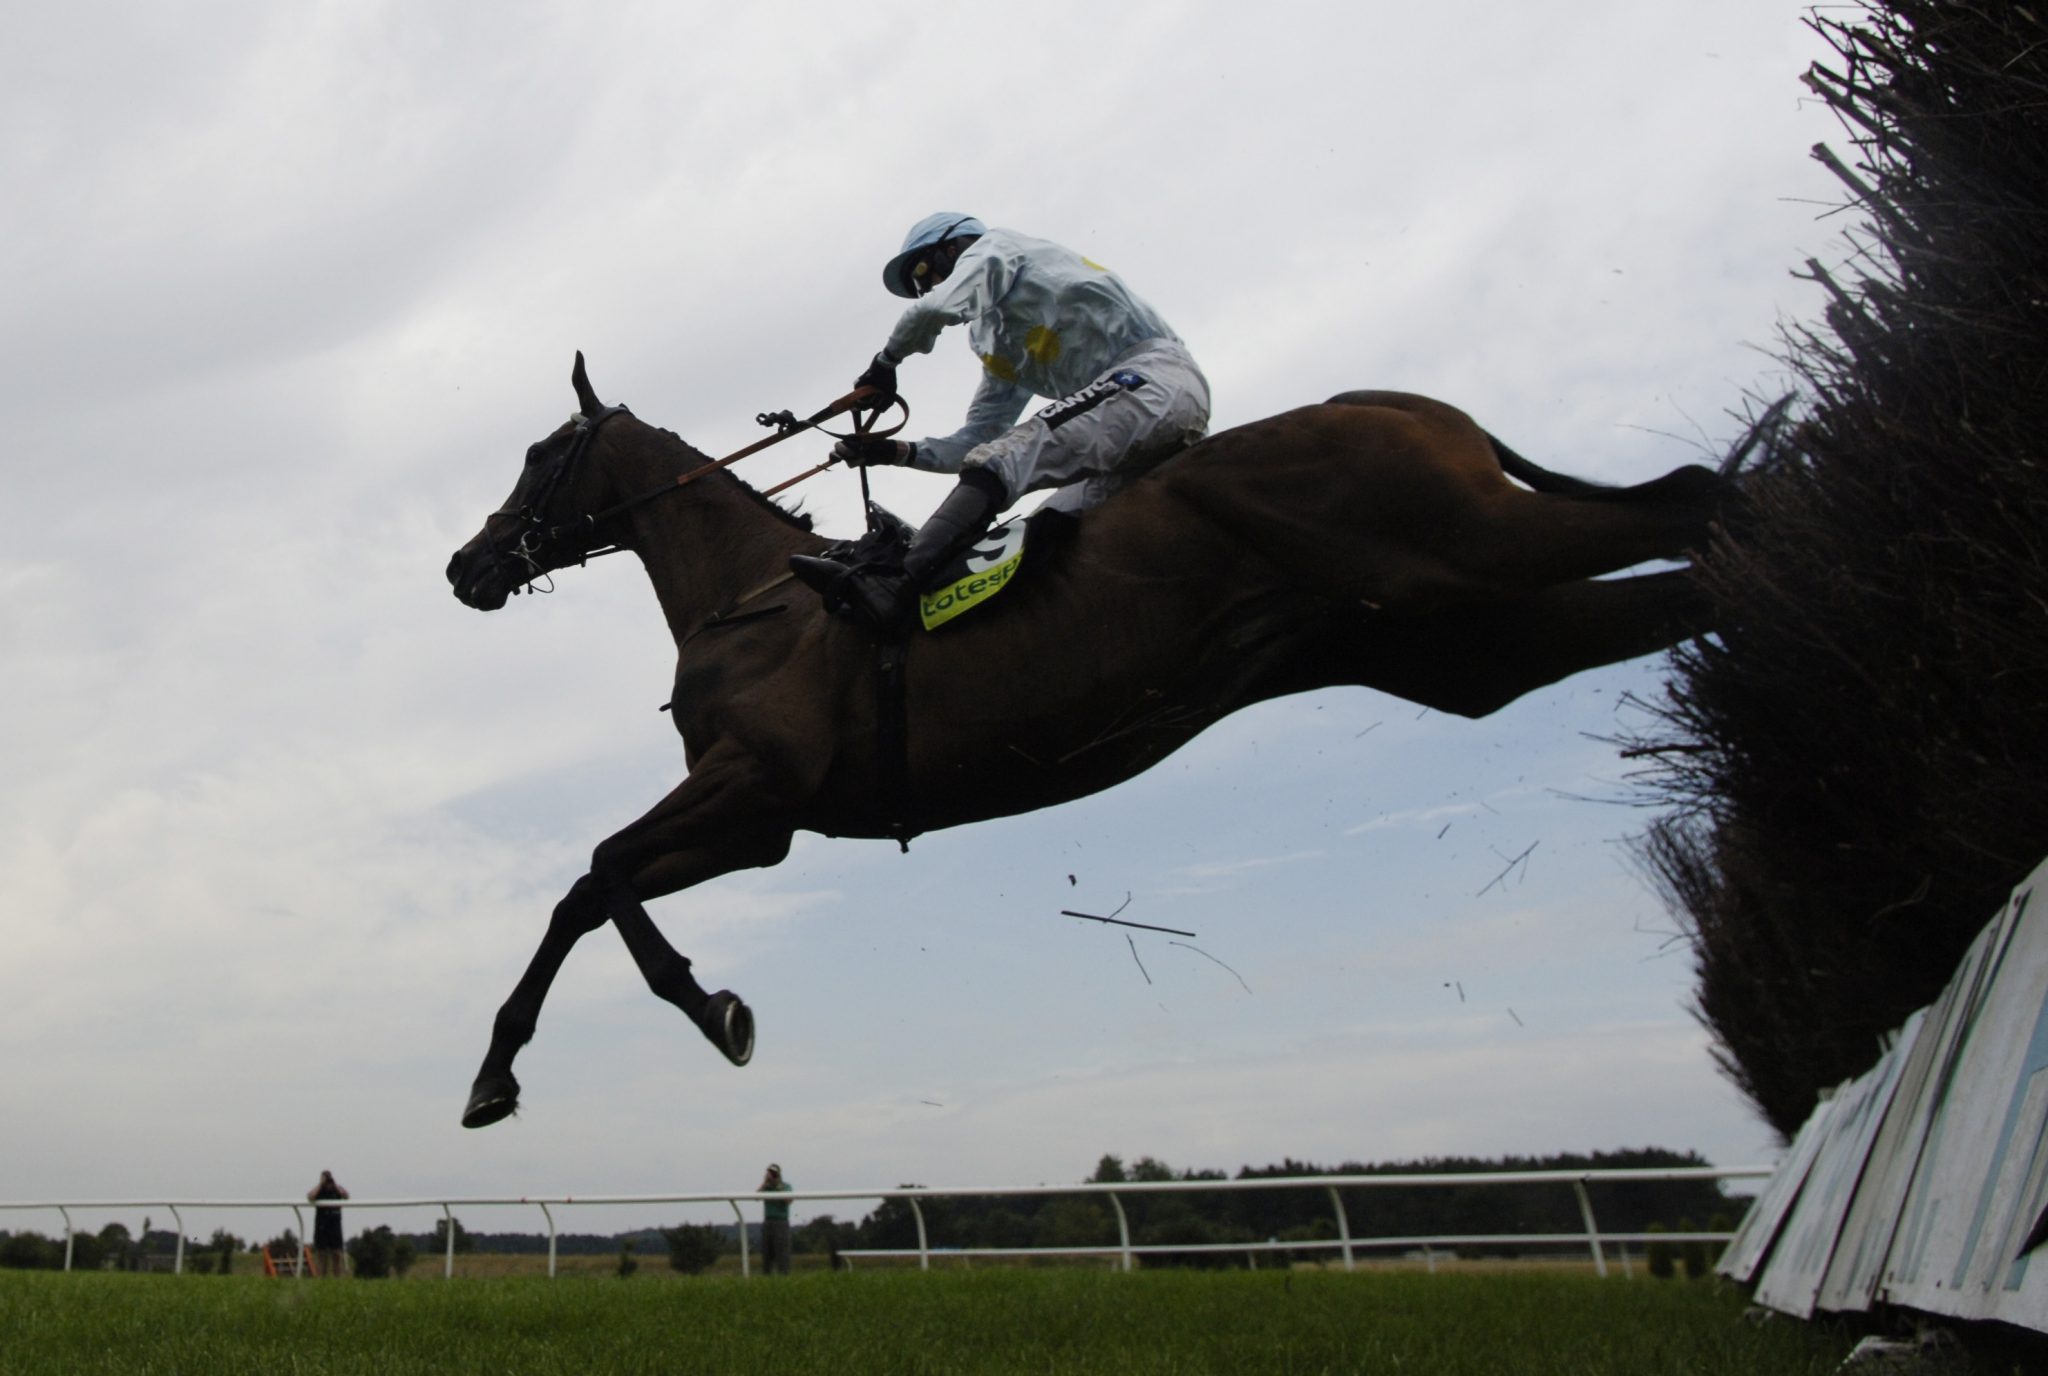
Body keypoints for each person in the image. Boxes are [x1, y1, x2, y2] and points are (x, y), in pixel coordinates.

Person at [790, 213, 1211, 630]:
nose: (928, 286)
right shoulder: (993, 335)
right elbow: (980, 437)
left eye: (924, 272)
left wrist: (886, 362)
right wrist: (897, 452)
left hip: (1155, 378)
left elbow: (933, 310)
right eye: (921, 284)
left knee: (1009, 456)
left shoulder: (999, 247)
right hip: (1119, 424)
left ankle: (900, 582)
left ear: (955, 247)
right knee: (1031, 539)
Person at [307, 1170, 349, 1278]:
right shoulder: (319, 1191)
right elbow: (310, 1197)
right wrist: (321, 1184)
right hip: (322, 1225)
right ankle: (321, 1279)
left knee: (336, 1254)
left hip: (335, 1225)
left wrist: (335, 1185)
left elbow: (346, 1195)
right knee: (321, 1255)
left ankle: (337, 1279)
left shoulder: (336, 1190)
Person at [759, 1163, 793, 1275]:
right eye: (770, 1173)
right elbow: (756, 1197)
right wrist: (764, 1184)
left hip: (781, 1222)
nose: (772, 1176)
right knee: (767, 1254)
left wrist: (779, 1187)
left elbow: (789, 1200)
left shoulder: (786, 1186)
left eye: (774, 1174)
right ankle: (766, 1277)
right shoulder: (766, 1188)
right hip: (768, 1221)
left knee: (783, 1254)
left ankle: (784, 1276)